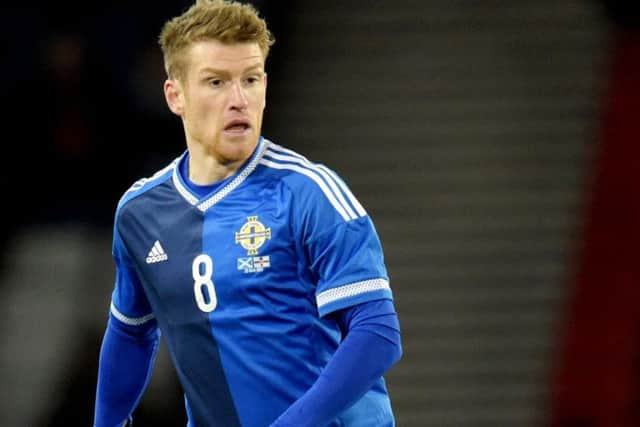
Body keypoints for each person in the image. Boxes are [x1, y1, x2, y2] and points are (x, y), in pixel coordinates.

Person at [93, 1, 402, 426]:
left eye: (251, 80)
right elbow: (131, 330)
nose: (239, 100)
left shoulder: (309, 193)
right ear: (175, 95)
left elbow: (377, 333)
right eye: (216, 82)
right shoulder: (140, 213)